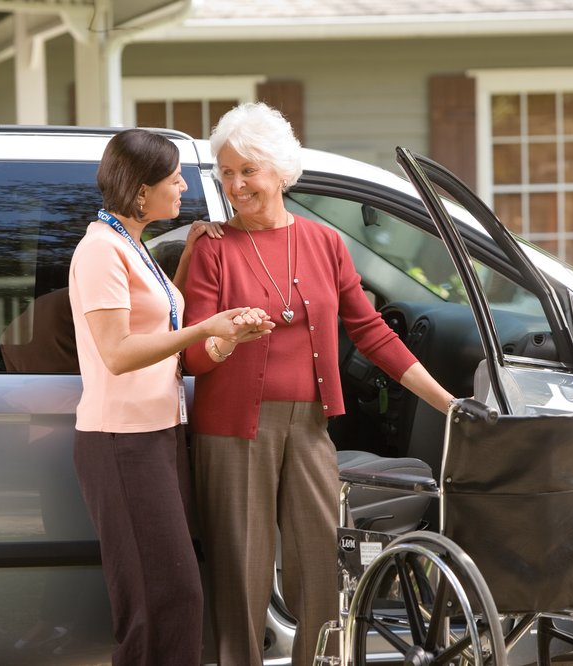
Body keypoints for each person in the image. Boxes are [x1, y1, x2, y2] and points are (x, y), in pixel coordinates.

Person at [181, 102, 456, 666]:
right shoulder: (213, 247)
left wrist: (448, 403)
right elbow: (193, 358)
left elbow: (373, 333)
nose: (235, 185)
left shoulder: (324, 244)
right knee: (241, 580)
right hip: (233, 433)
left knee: (322, 570)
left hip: (309, 427)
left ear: (279, 170)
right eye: (226, 172)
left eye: (247, 171)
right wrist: (229, 337)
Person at [68, 128, 274, 666]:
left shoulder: (130, 244)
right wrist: (209, 325)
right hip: (123, 442)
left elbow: (161, 313)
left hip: (158, 435)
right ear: (141, 190)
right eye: (175, 177)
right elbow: (117, 352)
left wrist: (215, 323)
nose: (184, 185)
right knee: (163, 600)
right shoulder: (100, 251)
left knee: (171, 596)